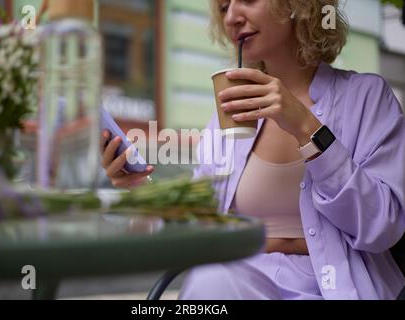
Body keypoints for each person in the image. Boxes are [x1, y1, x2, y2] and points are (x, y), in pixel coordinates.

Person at [101, 0, 405, 299]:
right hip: (237, 284)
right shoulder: (227, 117)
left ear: (296, 5)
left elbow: (384, 226)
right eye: (223, 8)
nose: (232, 16)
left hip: (339, 288)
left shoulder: (366, 97)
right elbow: (199, 227)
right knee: (210, 280)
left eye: (247, 0)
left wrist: (306, 127)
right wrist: (142, 190)